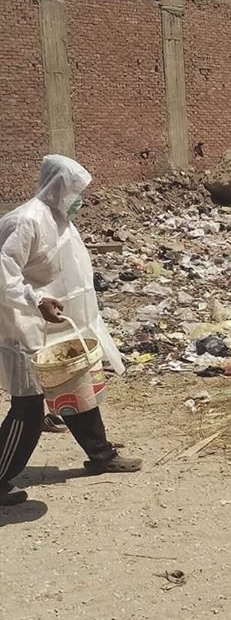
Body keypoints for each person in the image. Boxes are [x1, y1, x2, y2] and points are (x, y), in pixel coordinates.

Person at [0, 155, 141, 506]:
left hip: (59, 325)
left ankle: (101, 456)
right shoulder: (26, 221)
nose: (80, 198)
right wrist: (36, 302)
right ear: (58, 186)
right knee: (29, 408)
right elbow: (4, 276)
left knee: (77, 391)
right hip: (25, 328)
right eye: (75, 190)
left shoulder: (61, 221)